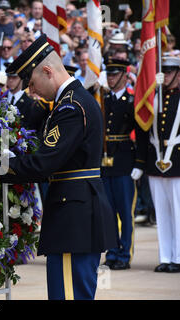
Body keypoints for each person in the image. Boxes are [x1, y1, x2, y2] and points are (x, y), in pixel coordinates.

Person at [0, 35, 116, 300]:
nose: (31, 92)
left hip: (72, 217)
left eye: (32, 83)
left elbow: (43, 162)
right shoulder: (70, 102)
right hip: (75, 213)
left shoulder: (70, 107)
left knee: (68, 295)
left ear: (48, 71)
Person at [100, 58, 145, 270]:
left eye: (114, 74)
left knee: (125, 212)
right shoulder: (104, 100)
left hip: (125, 162)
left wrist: (140, 163)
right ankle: (112, 251)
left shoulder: (131, 100)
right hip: (105, 164)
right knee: (108, 212)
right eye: (108, 73)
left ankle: (125, 254)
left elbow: (142, 133)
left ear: (125, 76)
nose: (110, 77)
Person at [137, 56, 180, 273]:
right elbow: (144, 130)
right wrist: (140, 162)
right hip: (156, 162)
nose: (167, 75)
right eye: (165, 71)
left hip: (178, 162)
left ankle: (179, 257)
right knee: (162, 213)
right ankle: (166, 256)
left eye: (171, 72)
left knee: (179, 212)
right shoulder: (154, 97)